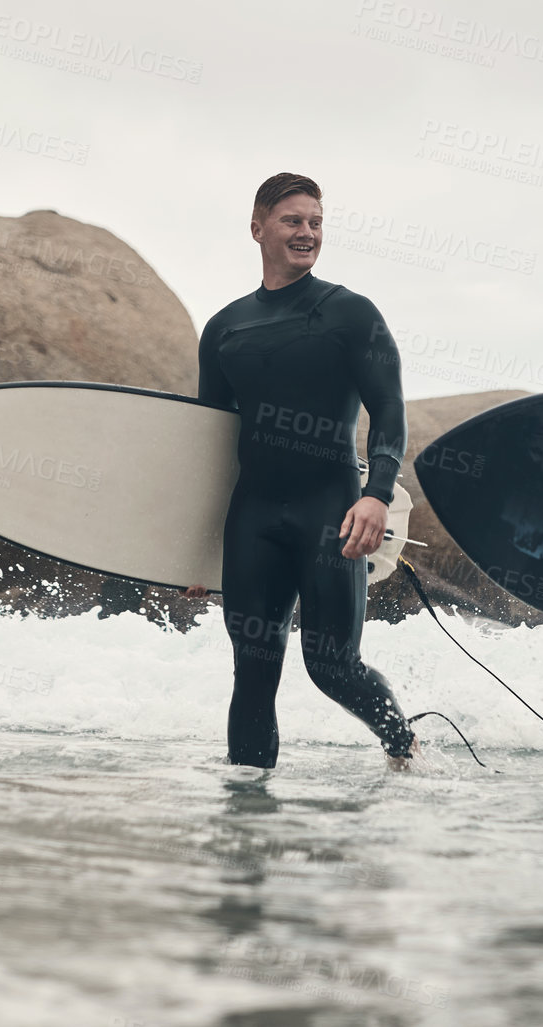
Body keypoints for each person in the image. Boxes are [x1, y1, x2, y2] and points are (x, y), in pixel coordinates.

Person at [184, 173, 419, 771]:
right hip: (253, 517)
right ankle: (247, 827)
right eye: (293, 221)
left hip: (330, 509)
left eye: (316, 222)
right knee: (253, 674)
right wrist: (187, 550)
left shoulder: (349, 313)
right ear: (258, 227)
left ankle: (402, 744)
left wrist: (377, 495)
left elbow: (389, 409)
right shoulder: (224, 328)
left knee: (332, 667)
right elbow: (212, 442)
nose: (307, 233)